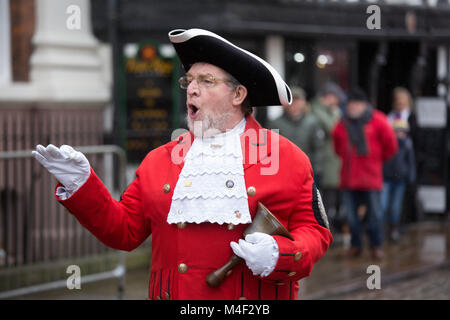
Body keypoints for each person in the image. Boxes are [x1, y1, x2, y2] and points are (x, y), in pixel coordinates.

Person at [32, 28, 332, 300]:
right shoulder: (158, 160)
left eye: (206, 81)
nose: (191, 89)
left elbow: (315, 233)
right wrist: (82, 185)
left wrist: (281, 254)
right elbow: (123, 232)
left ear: (239, 94)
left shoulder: (285, 156)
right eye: (188, 81)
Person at [332, 88, 398, 260]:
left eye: (356, 104)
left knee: (375, 215)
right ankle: (356, 246)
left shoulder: (378, 121)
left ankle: (376, 245)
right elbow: (337, 146)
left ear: (364, 105)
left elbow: (391, 146)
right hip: (349, 179)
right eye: (350, 104)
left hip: (371, 178)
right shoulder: (342, 123)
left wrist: (375, 161)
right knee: (352, 218)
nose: (352, 107)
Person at [268, 86, 325, 183]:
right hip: (283, 172)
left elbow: (318, 149)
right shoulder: (275, 123)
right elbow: (270, 150)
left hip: (306, 172)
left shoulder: (312, 122)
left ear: (303, 102)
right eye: (291, 100)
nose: (294, 104)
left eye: (297, 100)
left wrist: (316, 170)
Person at [310, 82, 344, 233]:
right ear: (329, 97)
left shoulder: (328, 111)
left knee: (331, 197)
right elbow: (334, 129)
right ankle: (324, 229)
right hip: (321, 161)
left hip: (331, 161)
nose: (337, 103)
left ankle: (330, 228)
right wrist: (336, 115)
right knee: (321, 198)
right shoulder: (317, 110)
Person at [380, 119, 416, 242]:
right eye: (397, 131)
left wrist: (410, 177)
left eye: (402, 132)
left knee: (396, 207)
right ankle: (382, 229)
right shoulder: (387, 143)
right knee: (382, 206)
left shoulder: (407, 145)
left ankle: (393, 229)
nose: (400, 134)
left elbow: (411, 163)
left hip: (400, 180)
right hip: (386, 178)